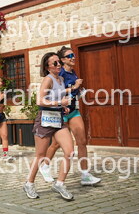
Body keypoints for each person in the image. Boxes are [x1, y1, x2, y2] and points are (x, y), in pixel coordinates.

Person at [39, 47, 101, 186]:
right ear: (62, 60)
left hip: (72, 111)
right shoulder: (59, 73)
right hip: (60, 113)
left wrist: (79, 91)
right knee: (55, 144)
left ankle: (85, 175)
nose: (73, 57)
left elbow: (72, 91)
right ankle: (45, 166)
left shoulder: (72, 72)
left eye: (73, 55)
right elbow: (55, 92)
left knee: (82, 141)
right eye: (69, 56)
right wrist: (72, 89)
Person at [23, 52, 75, 201]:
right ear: (47, 67)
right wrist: (58, 103)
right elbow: (40, 101)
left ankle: (59, 184)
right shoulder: (48, 79)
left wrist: (62, 107)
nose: (59, 65)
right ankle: (29, 183)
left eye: (59, 62)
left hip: (58, 119)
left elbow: (56, 97)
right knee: (40, 156)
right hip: (45, 120)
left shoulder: (61, 79)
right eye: (55, 63)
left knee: (70, 152)